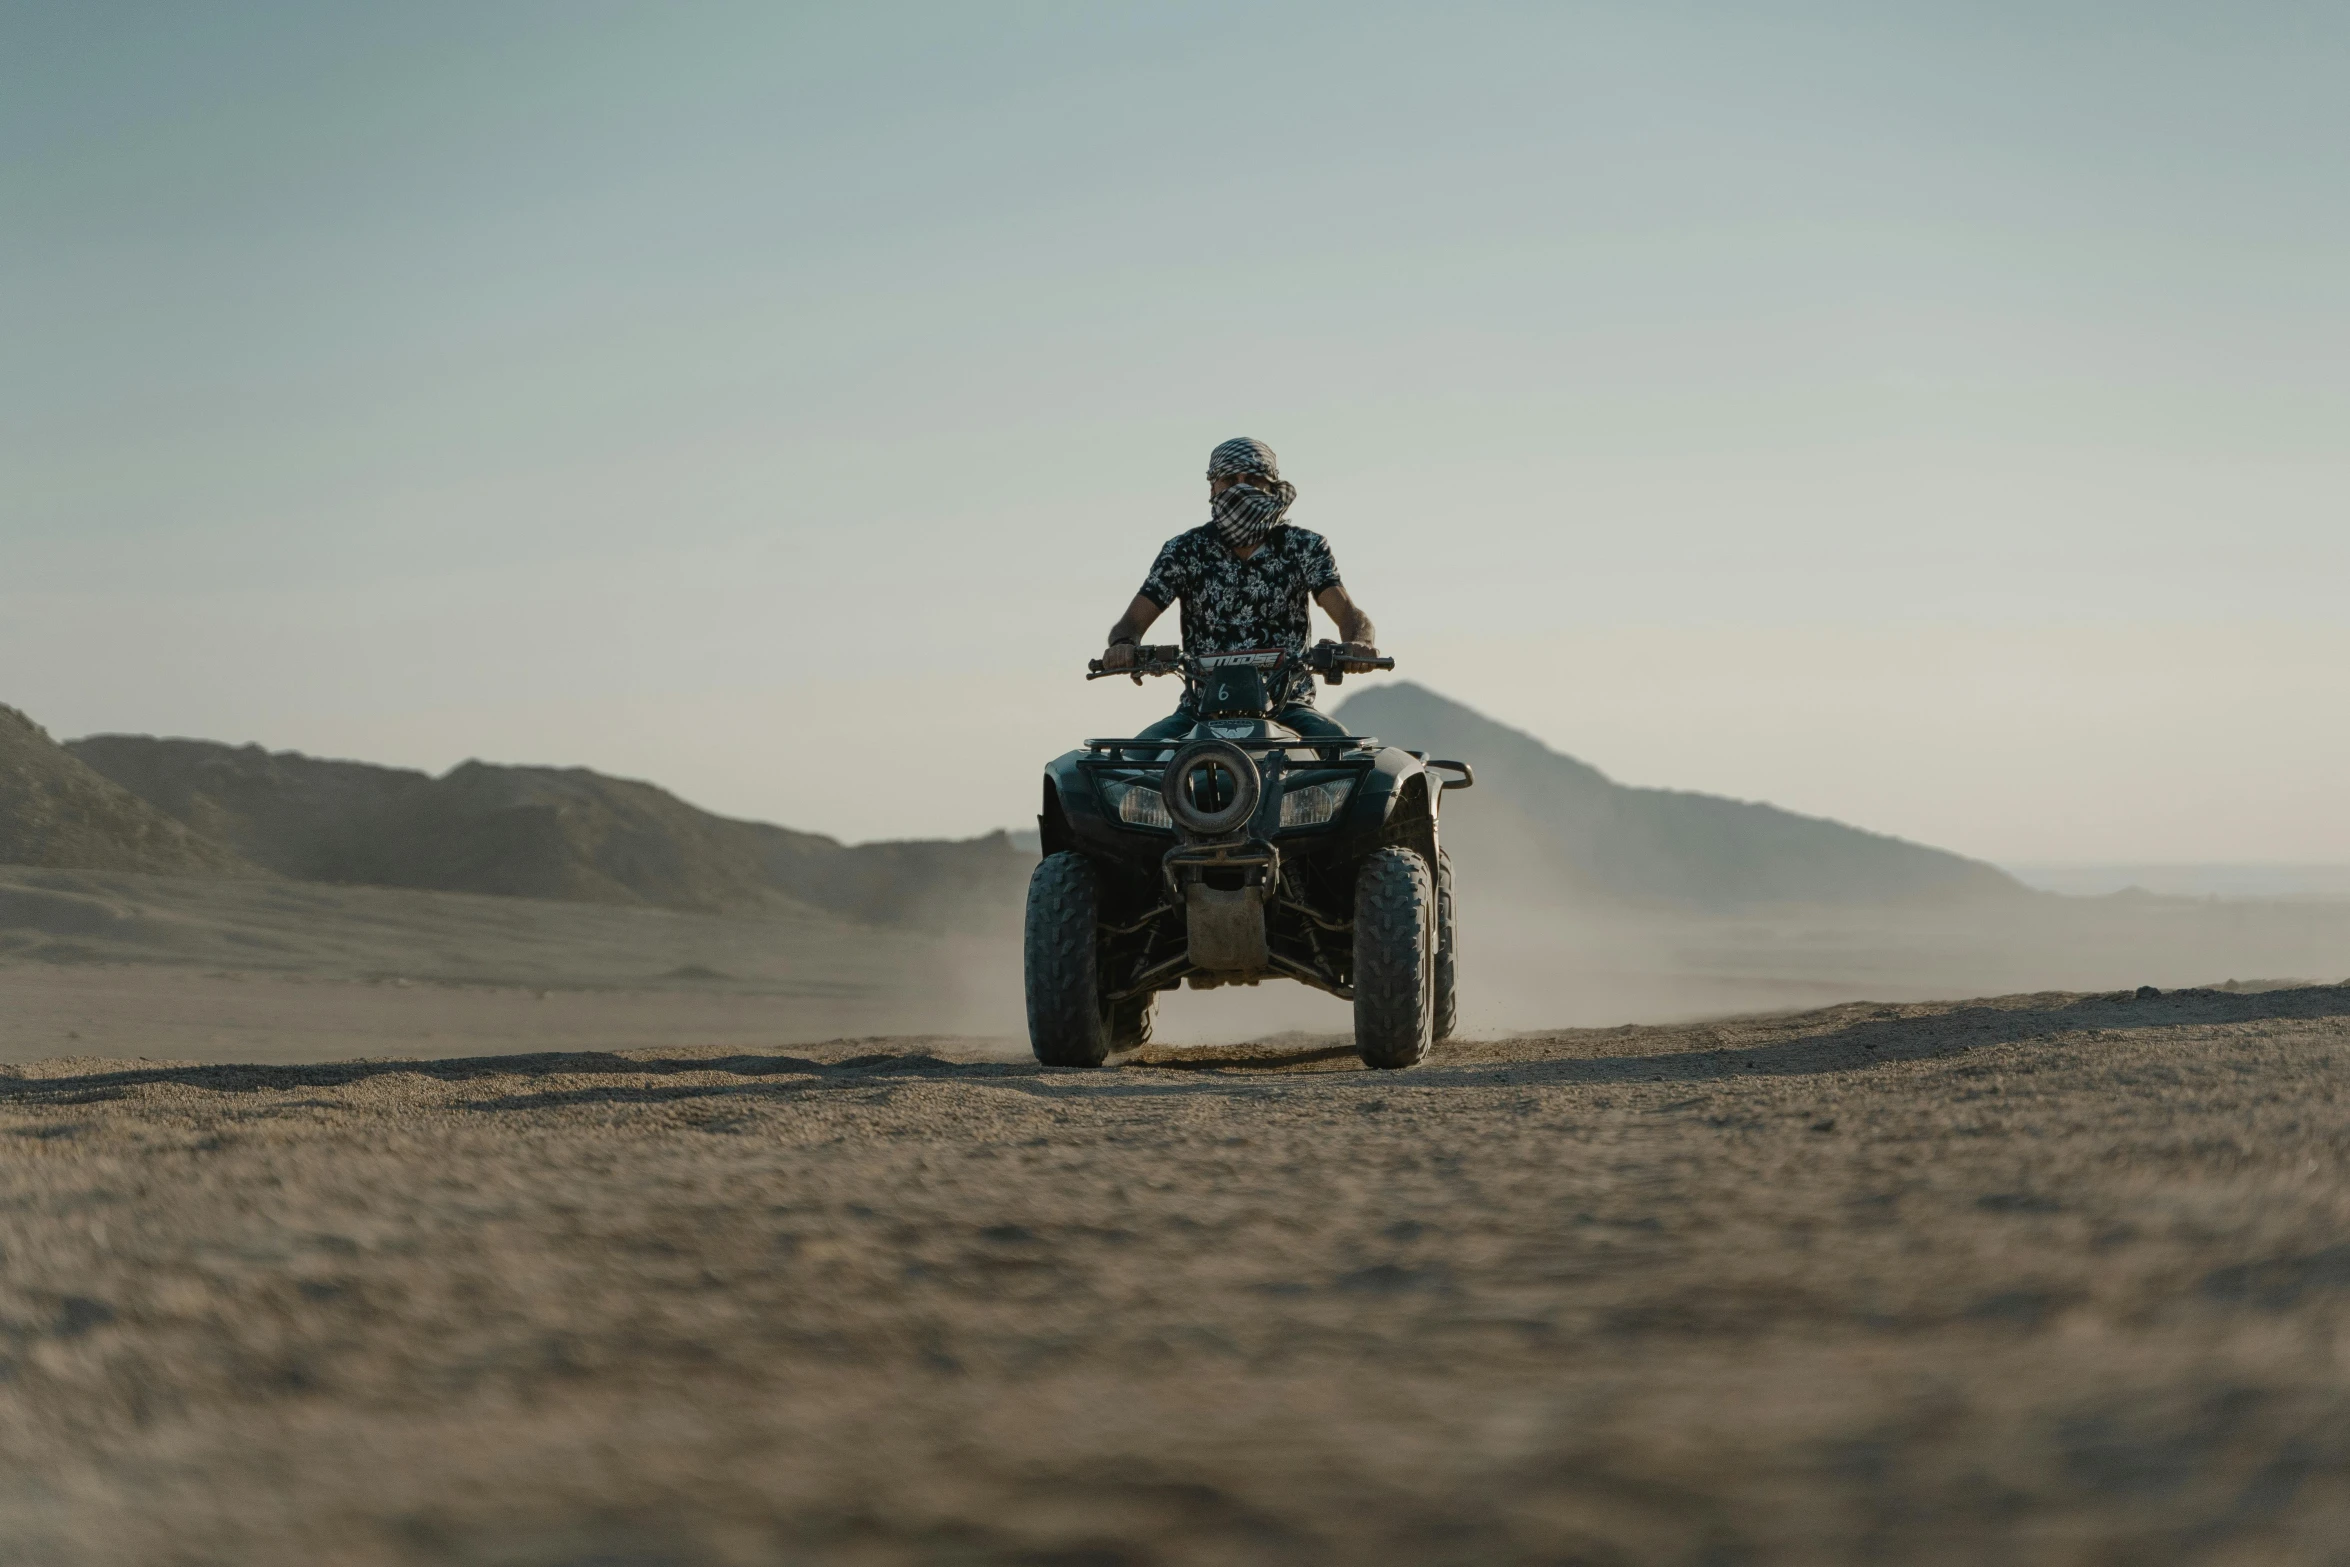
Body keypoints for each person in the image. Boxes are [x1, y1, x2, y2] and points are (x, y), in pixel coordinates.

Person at [1100, 437, 1381, 748]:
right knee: (1128, 766)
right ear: (1212, 489)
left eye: (1254, 480)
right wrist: (1122, 646)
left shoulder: (1303, 546)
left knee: (1347, 758)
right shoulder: (1184, 551)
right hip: (1200, 710)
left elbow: (1347, 613)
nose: (1240, 489)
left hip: (1288, 707)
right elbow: (1131, 623)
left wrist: (1359, 643)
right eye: (1230, 480)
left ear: (1272, 487)